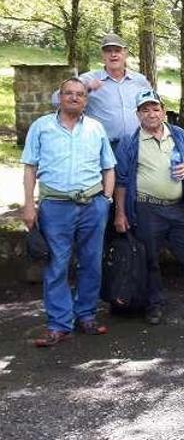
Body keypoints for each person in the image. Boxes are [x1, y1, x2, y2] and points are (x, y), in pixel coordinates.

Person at [113, 90, 184, 324]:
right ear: (138, 114)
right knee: (149, 260)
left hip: (180, 209)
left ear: (163, 111)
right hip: (147, 210)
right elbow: (121, 181)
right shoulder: (129, 142)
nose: (151, 114)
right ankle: (154, 306)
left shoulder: (179, 135)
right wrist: (120, 213)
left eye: (155, 109)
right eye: (145, 110)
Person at [21, 78, 116, 347]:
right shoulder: (41, 127)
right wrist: (29, 205)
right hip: (55, 207)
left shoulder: (96, 128)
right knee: (57, 265)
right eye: (69, 93)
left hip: (92, 205)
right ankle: (59, 324)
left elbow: (109, 166)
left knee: (91, 263)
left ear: (86, 99)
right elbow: (30, 167)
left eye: (80, 94)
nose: (74, 98)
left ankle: (85, 315)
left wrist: (106, 200)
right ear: (60, 97)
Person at [55, 33, 152, 150]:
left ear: (125, 53)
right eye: (108, 51)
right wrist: (85, 89)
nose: (113, 55)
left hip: (137, 145)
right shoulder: (88, 79)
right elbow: (56, 100)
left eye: (117, 50)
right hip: (102, 146)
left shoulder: (139, 80)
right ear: (103, 55)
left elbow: (153, 107)